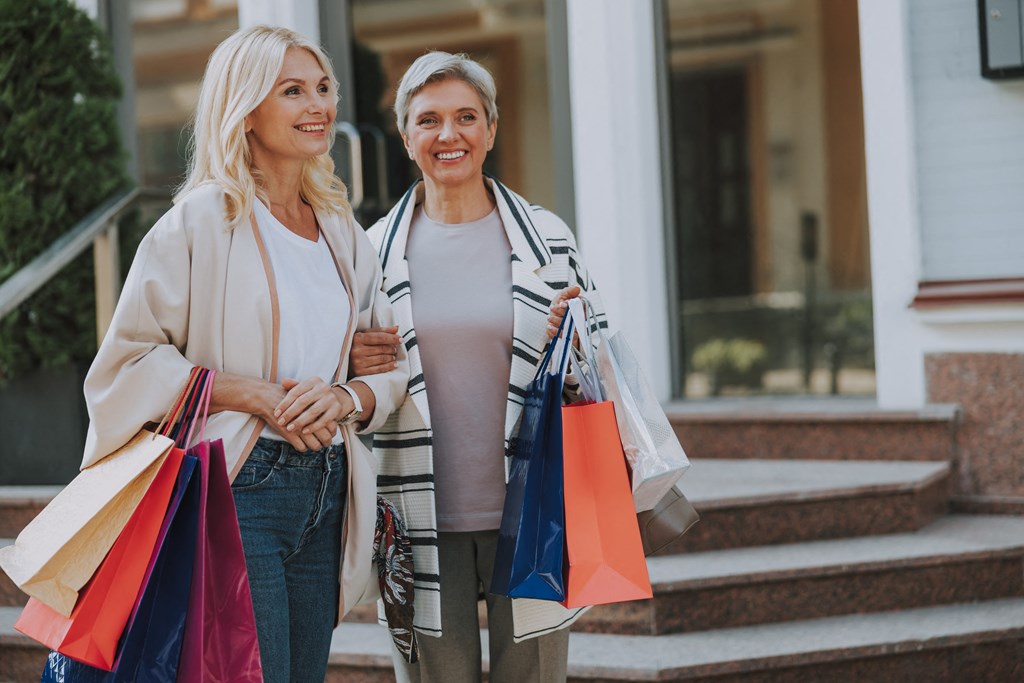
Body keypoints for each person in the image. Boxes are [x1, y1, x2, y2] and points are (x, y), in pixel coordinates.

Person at [80, 25, 408, 683]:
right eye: (292, 91)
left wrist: (347, 395)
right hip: (241, 486)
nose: (318, 106)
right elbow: (127, 362)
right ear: (247, 108)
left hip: (327, 486)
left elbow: (388, 366)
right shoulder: (202, 220)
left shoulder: (342, 230)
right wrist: (256, 393)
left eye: (322, 88)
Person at [350, 51, 608, 683]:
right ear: (406, 137)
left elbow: (597, 373)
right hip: (415, 518)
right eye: (429, 120)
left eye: (466, 117)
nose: (449, 135)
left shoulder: (548, 239)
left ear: (491, 130)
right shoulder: (368, 254)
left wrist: (570, 350)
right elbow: (349, 388)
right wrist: (348, 364)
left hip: (534, 513)